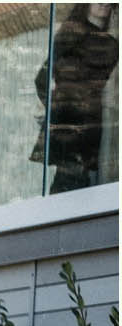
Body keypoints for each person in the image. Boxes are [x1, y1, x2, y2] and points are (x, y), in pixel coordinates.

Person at [34, 4, 119, 194]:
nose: (104, 2)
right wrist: (59, 108)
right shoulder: (71, 34)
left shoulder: (111, 44)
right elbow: (42, 79)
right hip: (72, 121)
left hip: (91, 121)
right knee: (71, 179)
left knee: (77, 180)